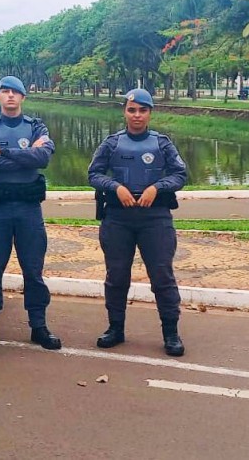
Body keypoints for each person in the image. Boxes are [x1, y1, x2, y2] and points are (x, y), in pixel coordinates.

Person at [88, 88, 188, 357]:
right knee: (117, 276)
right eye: (132, 110)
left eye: (142, 110)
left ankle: (171, 333)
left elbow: (180, 174)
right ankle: (115, 329)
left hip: (155, 218)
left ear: (150, 113)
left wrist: (158, 187)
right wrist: (115, 186)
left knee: (162, 277)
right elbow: (94, 174)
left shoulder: (162, 143)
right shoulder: (111, 143)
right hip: (118, 218)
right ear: (124, 112)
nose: (137, 115)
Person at [0, 76, 60, 351]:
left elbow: (43, 158)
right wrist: (22, 155)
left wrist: (4, 152)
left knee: (33, 270)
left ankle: (38, 325)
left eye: (15, 92)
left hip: (28, 210)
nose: (10, 96)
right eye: (5, 92)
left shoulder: (36, 126)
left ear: (23, 97)